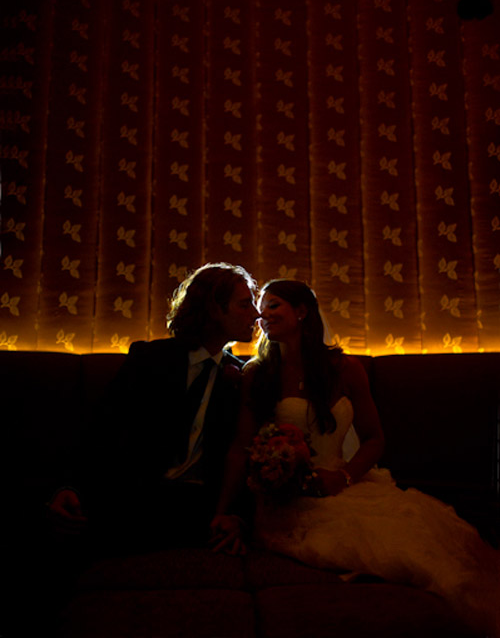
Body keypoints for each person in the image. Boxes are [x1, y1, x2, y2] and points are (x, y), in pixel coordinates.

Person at [211, 279, 500, 635]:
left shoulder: (345, 369)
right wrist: (224, 509)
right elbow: (241, 444)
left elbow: (374, 439)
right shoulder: (256, 373)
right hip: (286, 497)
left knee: (421, 544)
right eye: (259, 307)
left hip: (343, 481)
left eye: (273, 306)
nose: (261, 315)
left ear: (301, 312)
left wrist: (344, 477)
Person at [48, 262, 259, 553]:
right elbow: (102, 428)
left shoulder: (242, 376)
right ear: (214, 309)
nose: (256, 314)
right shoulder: (151, 359)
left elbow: (244, 454)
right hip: (138, 496)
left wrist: (238, 517)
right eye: (245, 304)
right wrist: (69, 487)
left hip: (199, 505)